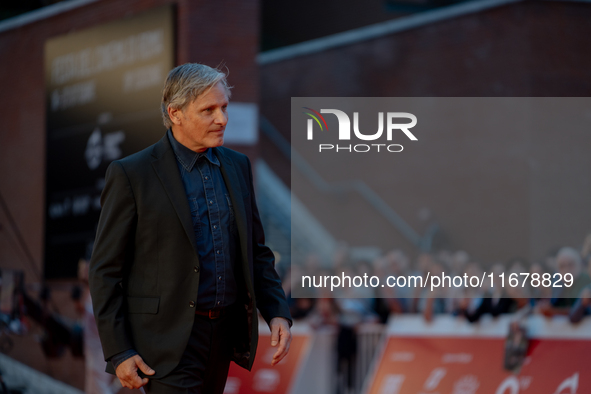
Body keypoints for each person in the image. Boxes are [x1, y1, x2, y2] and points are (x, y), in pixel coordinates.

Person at [89, 63, 292, 394]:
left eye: (224, 107)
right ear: (176, 113)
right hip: (164, 344)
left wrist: (277, 312)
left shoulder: (237, 166)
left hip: (223, 338)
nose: (222, 119)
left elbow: (255, 251)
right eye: (209, 110)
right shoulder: (132, 174)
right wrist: (119, 351)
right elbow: (105, 271)